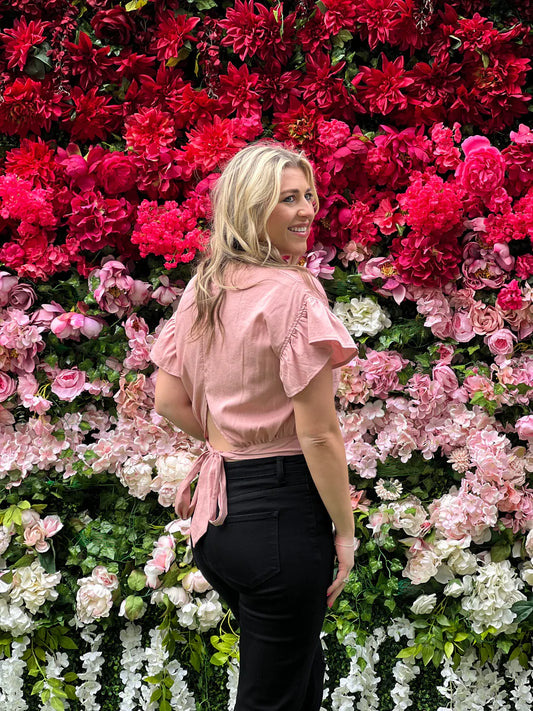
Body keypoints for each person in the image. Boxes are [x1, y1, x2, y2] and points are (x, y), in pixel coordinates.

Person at [150, 142, 357, 711]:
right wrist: (345, 531)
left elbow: (168, 397)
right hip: (281, 523)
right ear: (250, 209)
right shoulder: (291, 292)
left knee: (295, 677)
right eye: (287, 199)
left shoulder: (204, 289)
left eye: (309, 196)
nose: (307, 210)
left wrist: (229, 439)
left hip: (219, 524)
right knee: (276, 696)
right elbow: (318, 434)